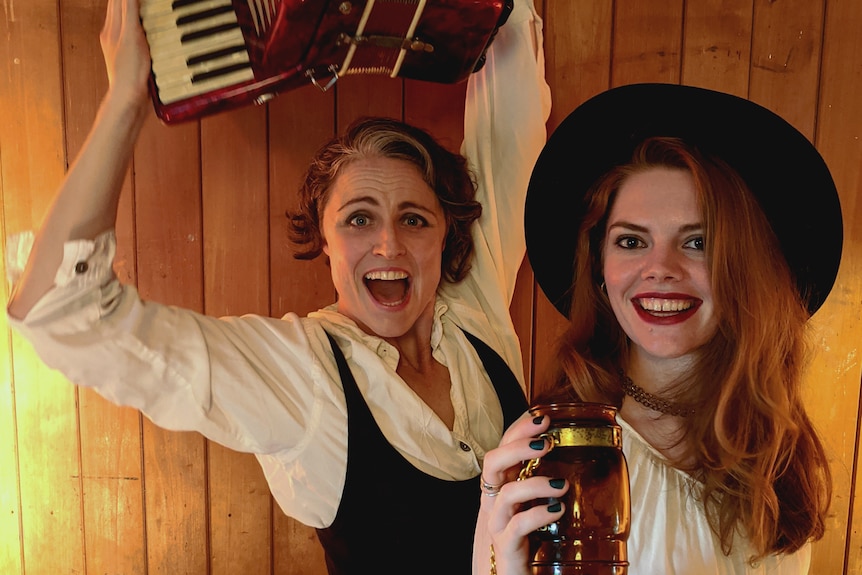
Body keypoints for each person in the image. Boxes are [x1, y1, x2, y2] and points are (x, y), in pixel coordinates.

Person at [5, 0, 551, 572]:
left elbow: (511, 108)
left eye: (414, 219)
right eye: (358, 219)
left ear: (446, 234)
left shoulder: (473, 309)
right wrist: (125, 101)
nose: (389, 245)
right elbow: (60, 312)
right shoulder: (300, 375)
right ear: (324, 240)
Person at [473, 83, 842, 574]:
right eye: (631, 241)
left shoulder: (776, 450)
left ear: (744, 270)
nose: (660, 268)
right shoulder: (555, 454)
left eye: (697, 243)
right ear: (600, 270)